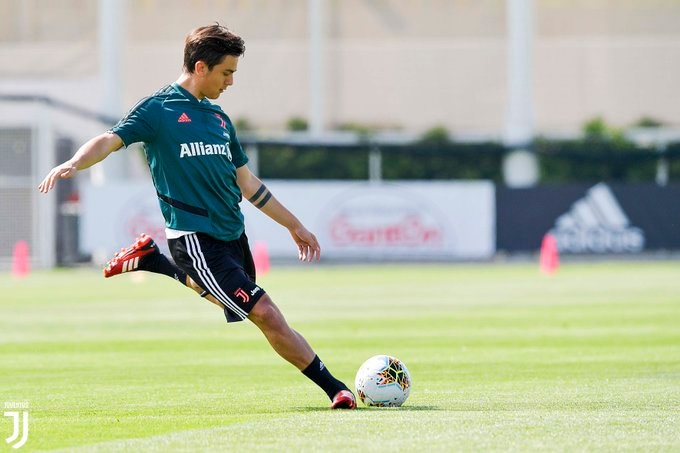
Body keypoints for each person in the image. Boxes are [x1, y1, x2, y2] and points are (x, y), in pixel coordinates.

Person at [38, 24, 356, 409]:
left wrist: (294, 224)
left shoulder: (219, 119)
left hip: (232, 235)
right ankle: (335, 388)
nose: (231, 81)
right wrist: (75, 162)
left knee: (235, 302)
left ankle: (153, 260)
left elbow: (248, 183)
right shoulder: (159, 109)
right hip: (194, 237)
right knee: (266, 313)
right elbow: (110, 139)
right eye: (227, 72)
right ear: (201, 67)